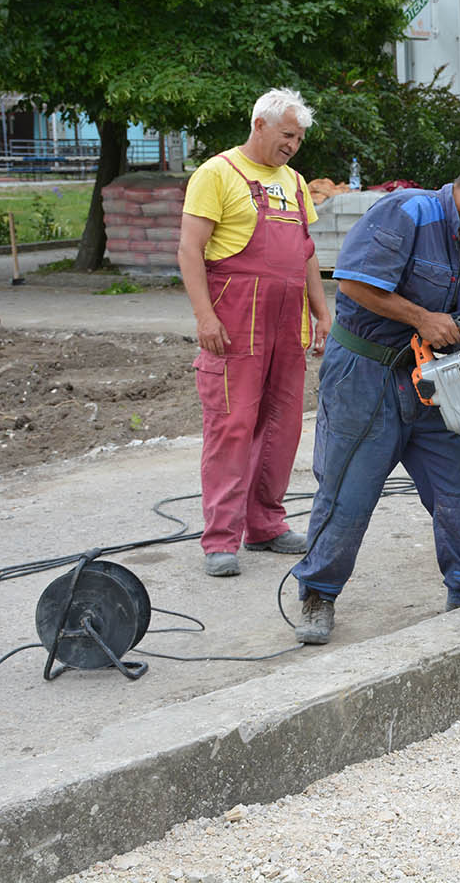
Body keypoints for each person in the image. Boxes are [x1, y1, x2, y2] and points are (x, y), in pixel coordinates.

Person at [289, 153, 460, 644]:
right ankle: (317, 593)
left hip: (433, 383)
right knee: (348, 490)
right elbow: (352, 281)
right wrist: (422, 318)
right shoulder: (406, 212)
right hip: (365, 376)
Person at [178, 88, 331, 578]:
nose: (294, 145)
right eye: (288, 135)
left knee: (282, 425)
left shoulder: (295, 182)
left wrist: (321, 311)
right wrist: (205, 317)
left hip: (287, 322)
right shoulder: (217, 173)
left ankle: (265, 523)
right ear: (259, 125)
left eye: (300, 138)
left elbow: (304, 253)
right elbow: (189, 250)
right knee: (232, 425)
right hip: (235, 317)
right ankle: (221, 539)